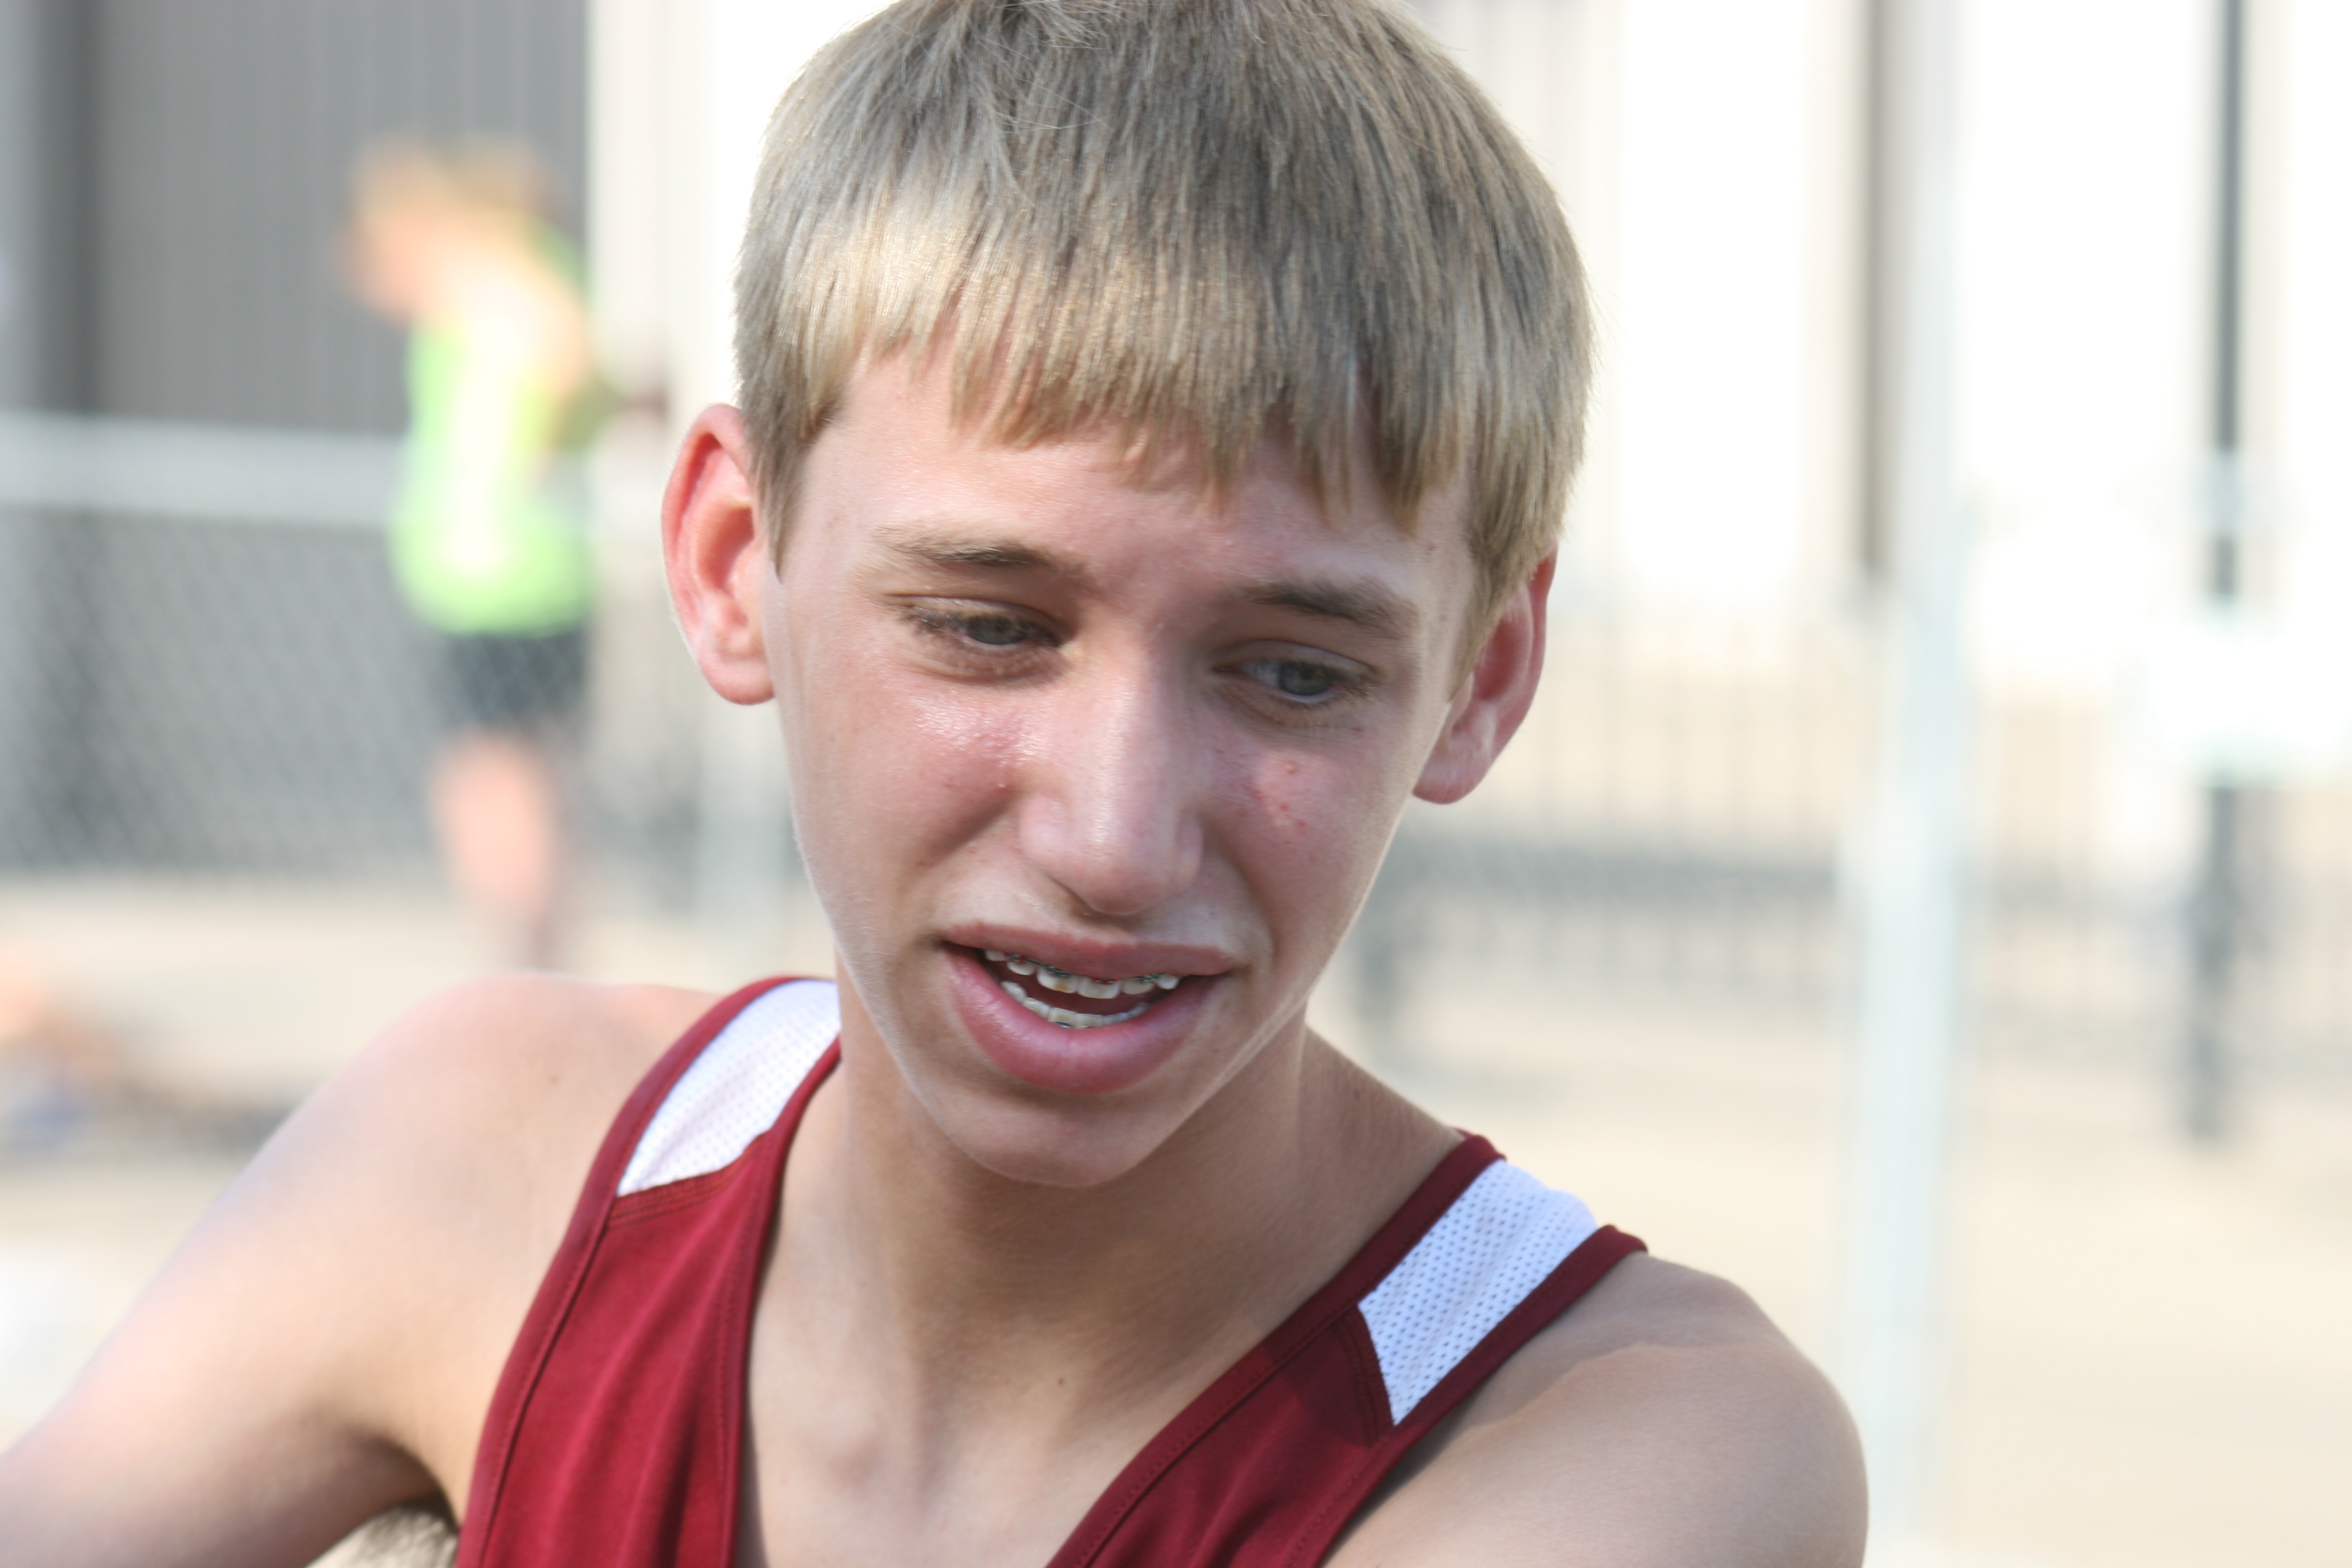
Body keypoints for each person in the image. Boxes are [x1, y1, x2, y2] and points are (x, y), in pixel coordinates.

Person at [0, 3, 1865, 1564]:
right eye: (987, 626)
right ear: (735, 562)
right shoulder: (496, 1155)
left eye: (1294, 671)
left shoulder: (1622, 1433)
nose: (1112, 836)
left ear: (1482, 678)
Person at [347, 142, 601, 971]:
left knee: (496, 776)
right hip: (514, 576)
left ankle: (524, 957)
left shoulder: (494, 278)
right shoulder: (530, 275)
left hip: (498, 580)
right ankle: (533, 954)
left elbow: (562, 352)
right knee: (524, 773)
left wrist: (526, 457)